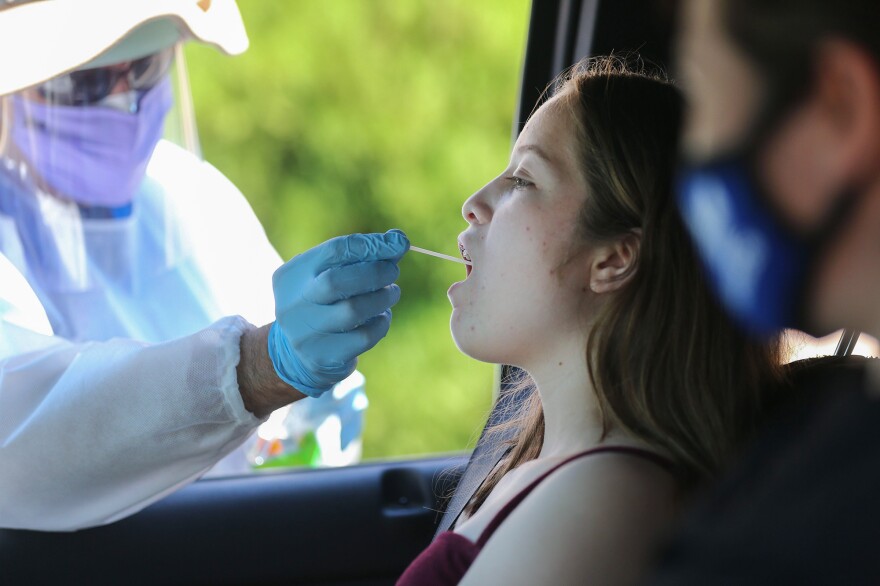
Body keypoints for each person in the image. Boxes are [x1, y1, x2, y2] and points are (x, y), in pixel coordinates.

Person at [0, 0, 409, 531]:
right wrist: (257, 370)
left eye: (144, 67)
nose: (125, 99)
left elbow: (293, 439)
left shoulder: (187, 195)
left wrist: (301, 431)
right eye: (89, 82)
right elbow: (27, 440)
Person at [396, 57, 781, 585]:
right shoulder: (542, 464)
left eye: (524, 179)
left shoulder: (606, 498)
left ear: (614, 260)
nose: (473, 205)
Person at [643, 0, 880, 583]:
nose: (687, 161)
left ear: (840, 104)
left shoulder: (796, 541)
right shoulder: (824, 422)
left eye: (697, 100)